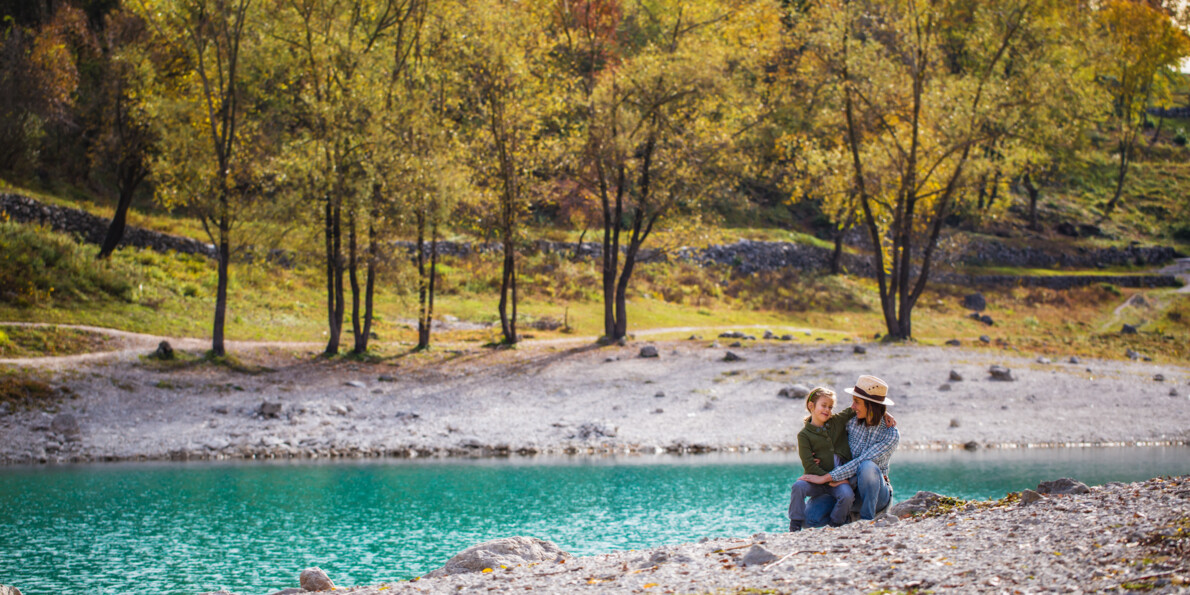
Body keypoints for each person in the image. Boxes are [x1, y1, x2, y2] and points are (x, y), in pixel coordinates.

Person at [798, 374, 899, 522]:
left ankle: (866, 520)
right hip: (846, 487)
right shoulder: (850, 422)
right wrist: (815, 451)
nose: (852, 407)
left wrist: (826, 477)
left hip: (877, 495)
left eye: (856, 402)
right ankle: (846, 520)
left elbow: (862, 461)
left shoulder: (890, 434)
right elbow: (821, 425)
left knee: (867, 467)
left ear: (870, 405)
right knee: (809, 518)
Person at [788, 387, 856, 531]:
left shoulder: (836, 422)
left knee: (847, 495)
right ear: (811, 406)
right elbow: (809, 465)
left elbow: (855, 408)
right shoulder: (804, 435)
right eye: (823, 405)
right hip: (817, 481)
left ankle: (834, 525)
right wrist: (829, 479)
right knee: (798, 487)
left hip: (838, 481)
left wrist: (885, 413)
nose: (827, 410)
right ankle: (794, 526)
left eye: (830, 407)